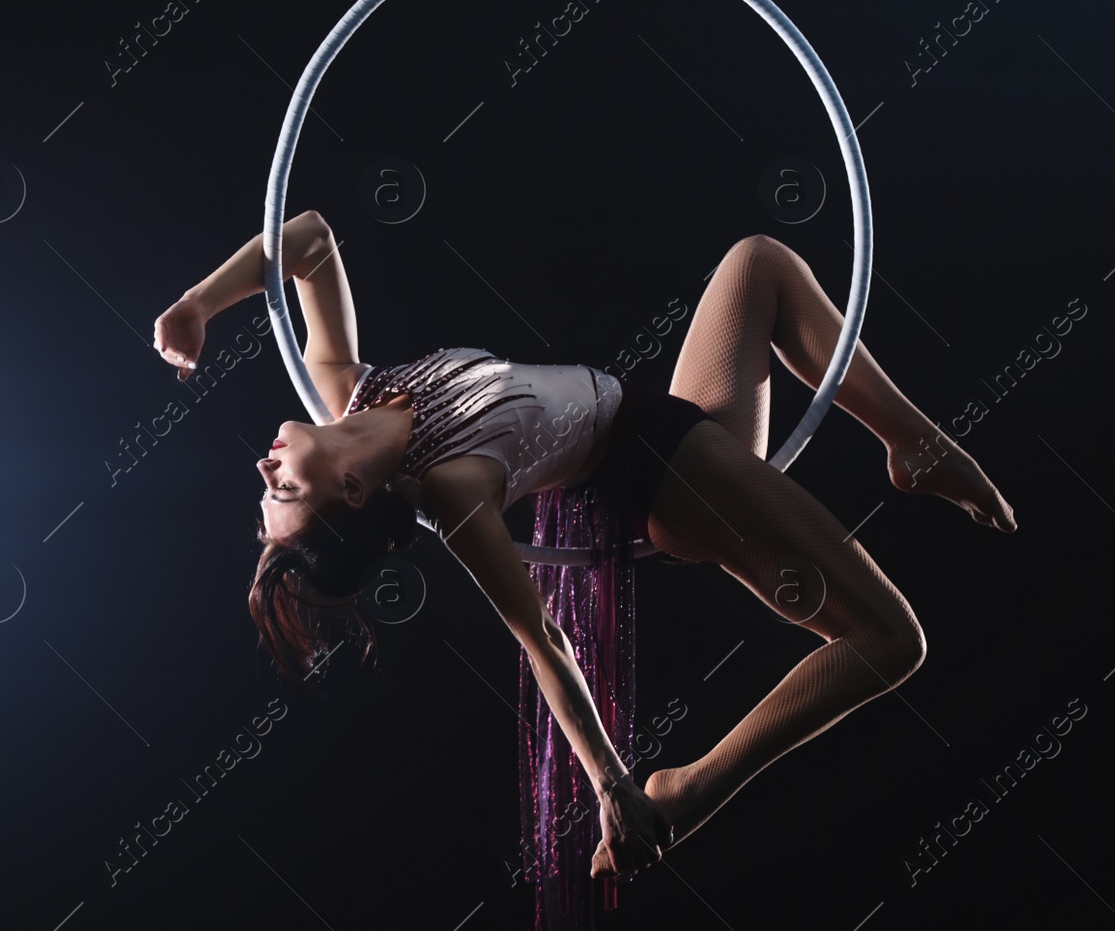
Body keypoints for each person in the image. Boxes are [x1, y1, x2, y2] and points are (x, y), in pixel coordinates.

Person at [152, 209, 1016, 879]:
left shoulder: (354, 385)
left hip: (659, 421)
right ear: (348, 493)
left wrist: (196, 303)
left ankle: (910, 445)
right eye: (282, 494)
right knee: (890, 640)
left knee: (760, 264)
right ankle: (694, 788)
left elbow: (307, 238)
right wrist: (612, 783)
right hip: (660, 471)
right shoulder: (452, 491)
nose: (263, 470)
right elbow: (541, 637)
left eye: (266, 488)